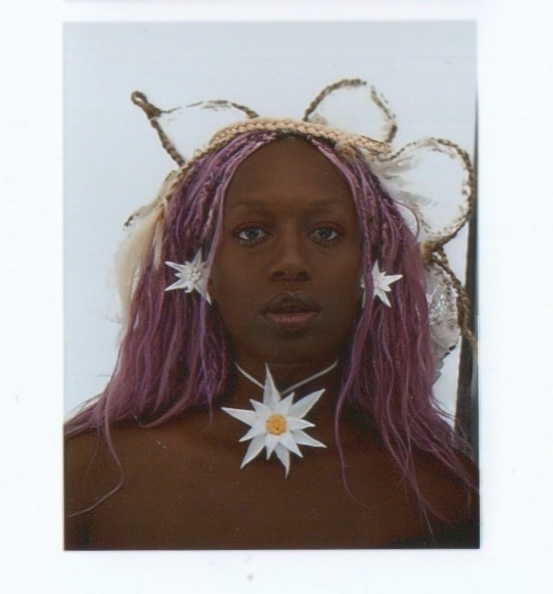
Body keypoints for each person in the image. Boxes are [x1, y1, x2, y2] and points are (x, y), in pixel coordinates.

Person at [64, 80, 478, 550]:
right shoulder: (85, 477)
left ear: (372, 263)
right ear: (202, 265)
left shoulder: (444, 493)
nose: (291, 263)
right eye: (251, 233)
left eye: (325, 233)